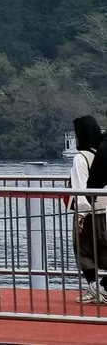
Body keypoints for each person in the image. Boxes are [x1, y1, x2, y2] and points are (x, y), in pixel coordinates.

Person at [74, 116, 107, 303]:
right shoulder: (100, 151)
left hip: (88, 211)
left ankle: (96, 289)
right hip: (104, 209)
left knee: (83, 251)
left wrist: (81, 213)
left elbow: (81, 187)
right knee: (103, 249)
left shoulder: (81, 158)